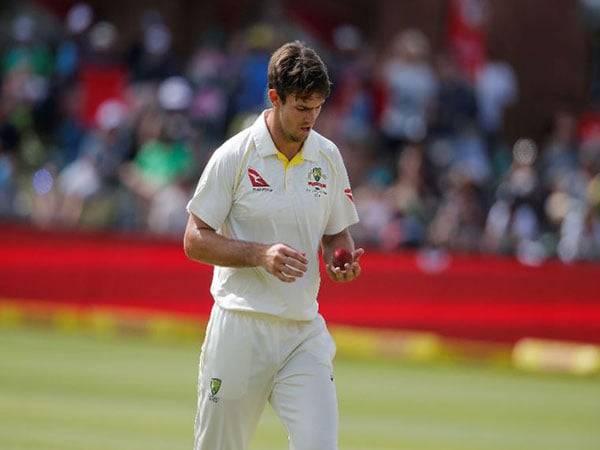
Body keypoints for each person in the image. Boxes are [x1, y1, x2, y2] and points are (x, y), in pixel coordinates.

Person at [183, 41, 363, 450]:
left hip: (303, 330)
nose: (310, 118)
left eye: (317, 107)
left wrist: (342, 259)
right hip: (240, 327)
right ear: (275, 97)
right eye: (301, 107)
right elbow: (194, 239)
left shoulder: (327, 156)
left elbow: (337, 232)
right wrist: (259, 255)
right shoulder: (234, 155)